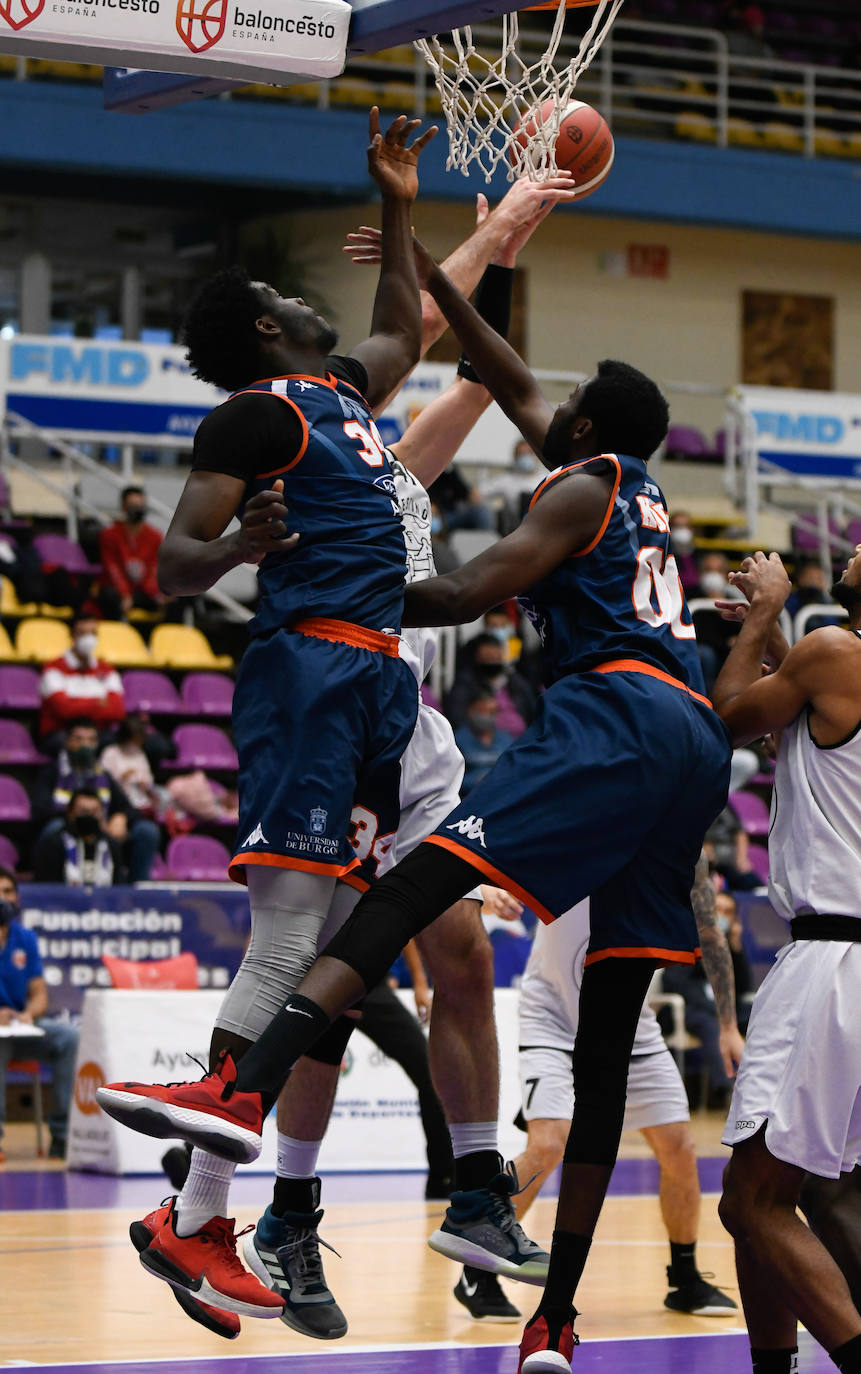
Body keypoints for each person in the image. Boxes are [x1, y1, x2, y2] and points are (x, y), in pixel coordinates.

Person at [97, 226, 732, 1374]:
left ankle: (472, 1185)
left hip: (394, 687)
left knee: (445, 949)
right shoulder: (277, 417)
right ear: (264, 328)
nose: (315, 299)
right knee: (314, 951)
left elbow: (431, 336)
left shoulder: (354, 408)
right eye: (292, 293)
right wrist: (249, 544)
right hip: (328, 669)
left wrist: (414, 212)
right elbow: (177, 565)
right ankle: (225, 1204)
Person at [474, 856, 742, 1325]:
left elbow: (710, 932)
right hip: (553, 1016)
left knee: (679, 1146)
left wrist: (727, 1025)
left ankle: (684, 1278)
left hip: (628, 1022)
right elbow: (494, 844)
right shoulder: (588, 818)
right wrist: (483, 888)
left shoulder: (681, 848)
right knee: (549, 1143)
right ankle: (480, 1271)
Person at [711, 546, 861, 1374]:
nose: (851, 548)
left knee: (754, 1201)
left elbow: (721, 719)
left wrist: (767, 612)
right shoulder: (831, 667)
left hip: (833, 960)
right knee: (804, 1195)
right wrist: (776, 650)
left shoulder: (835, 653)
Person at [0, 867, 79, 1160]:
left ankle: (61, 1136)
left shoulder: (25, 938)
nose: (3, 899)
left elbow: (39, 994)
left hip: (21, 1027)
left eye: (8, 892)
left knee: (69, 1037)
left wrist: (28, 1014)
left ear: (17, 899)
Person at [33, 718, 161, 883]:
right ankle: (50, 888)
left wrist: (121, 818)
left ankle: (138, 889)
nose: (85, 745)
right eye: (79, 739)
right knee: (53, 828)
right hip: (67, 832)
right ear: (67, 741)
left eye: (90, 740)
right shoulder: (51, 772)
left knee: (147, 831)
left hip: (101, 833)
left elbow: (129, 808)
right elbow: (40, 810)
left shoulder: (102, 773)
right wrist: (81, 818)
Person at [39, 613, 126, 743]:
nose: (89, 639)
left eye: (93, 634)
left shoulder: (107, 669)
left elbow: (117, 710)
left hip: (98, 733)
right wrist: (98, 703)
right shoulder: (54, 668)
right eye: (83, 633)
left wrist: (76, 702)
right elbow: (64, 710)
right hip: (62, 732)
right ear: (72, 635)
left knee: (114, 742)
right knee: (73, 742)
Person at [31, 786, 126, 886]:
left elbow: (119, 887)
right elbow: (46, 888)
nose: (89, 817)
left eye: (94, 812)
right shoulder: (54, 845)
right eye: (84, 812)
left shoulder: (112, 846)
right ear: (70, 812)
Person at [99, 486, 168, 621]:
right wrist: (125, 594)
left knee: (174, 598)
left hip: (143, 590)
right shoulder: (109, 535)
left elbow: (154, 567)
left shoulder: (154, 536)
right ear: (124, 507)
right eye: (133, 505)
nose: (138, 509)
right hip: (117, 589)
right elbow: (112, 567)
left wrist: (155, 593)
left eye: (141, 505)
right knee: (110, 596)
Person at [445, 632, 535, 735]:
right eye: (487, 657)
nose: (492, 661)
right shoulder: (466, 682)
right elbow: (456, 715)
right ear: (477, 658)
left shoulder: (515, 681)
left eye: (496, 657)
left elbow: (532, 711)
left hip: (521, 739)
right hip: (484, 742)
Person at [454, 692, 516, 793]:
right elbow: (451, 780)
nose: (488, 716)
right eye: (483, 711)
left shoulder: (506, 739)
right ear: (471, 711)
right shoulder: (457, 740)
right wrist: (475, 781)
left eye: (492, 712)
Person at [99, 714, 158, 816]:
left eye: (139, 740)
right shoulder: (110, 752)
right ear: (125, 736)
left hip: (139, 802)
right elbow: (103, 780)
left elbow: (149, 778)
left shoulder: (139, 754)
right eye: (133, 739)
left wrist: (145, 783)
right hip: (117, 803)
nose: (135, 743)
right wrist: (122, 777)